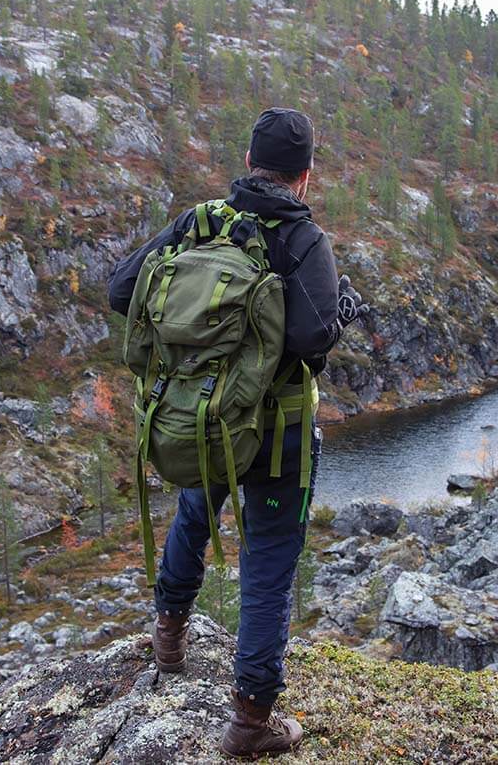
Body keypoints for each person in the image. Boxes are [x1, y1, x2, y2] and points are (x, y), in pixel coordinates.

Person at [108, 107, 367, 758]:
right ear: (304, 177)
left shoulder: (201, 221)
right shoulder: (305, 241)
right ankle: (251, 718)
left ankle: (169, 634)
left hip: (207, 414)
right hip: (277, 430)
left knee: (195, 509)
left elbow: (121, 289)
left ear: (249, 163)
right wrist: (341, 314)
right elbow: (311, 336)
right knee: (269, 562)